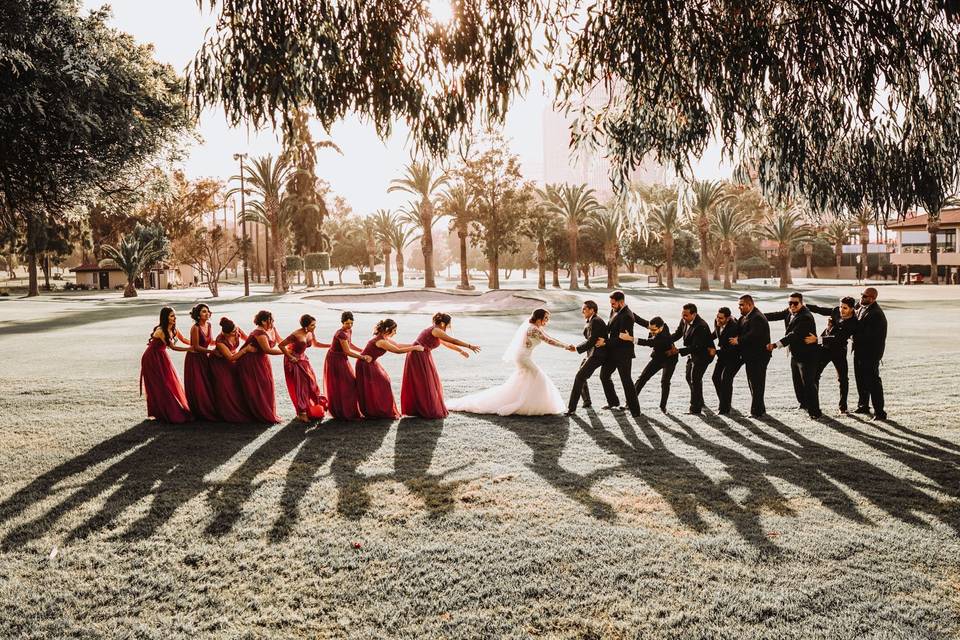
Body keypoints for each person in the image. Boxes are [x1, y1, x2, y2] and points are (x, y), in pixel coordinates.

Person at [449, 308, 575, 415]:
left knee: (525, 380)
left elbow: (550, 337)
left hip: (523, 356)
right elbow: (549, 341)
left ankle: (522, 401)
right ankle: (525, 404)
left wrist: (565, 345)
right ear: (539, 318)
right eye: (546, 318)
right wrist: (565, 347)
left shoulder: (536, 327)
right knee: (539, 377)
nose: (547, 321)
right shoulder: (534, 329)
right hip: (523, 357)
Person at [401, 312, 480, 419]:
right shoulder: (436, 330)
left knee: (427, 382)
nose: (450, 325)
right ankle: (423, 409)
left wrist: (460, 351)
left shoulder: (436, 330)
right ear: (443, 323)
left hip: (423, 355)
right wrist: (470, 346)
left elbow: (447, 343)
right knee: (424, 383)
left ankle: (422, 408)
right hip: (418, 356)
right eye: (449, 323)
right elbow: (453, 340)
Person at [764, 292, 822, 419]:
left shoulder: (805, 317)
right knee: (797, 381)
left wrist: (775, 345)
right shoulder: (790, 311)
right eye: (790, 303)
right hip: (796, 354)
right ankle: (803, 404)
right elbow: (775, 315)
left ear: (801, 303)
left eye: (795, 303)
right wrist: (758, 315)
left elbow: (793, 336)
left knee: (808, 383)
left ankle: (815, 412)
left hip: (808, 355)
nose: (792, 305)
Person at [356, 319, 423, 419]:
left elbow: (398, 345)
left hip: (370, 363)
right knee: (380, 384)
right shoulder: (381, 341)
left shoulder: (384, 338)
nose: (395, 333)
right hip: (365, 364)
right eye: (394, 330)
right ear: (388, 329)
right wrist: (414, 348)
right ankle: (375, 410)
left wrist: (414, 345)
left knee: (383, 383)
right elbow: (397, 350)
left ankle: (378, 409)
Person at [805, 296, 858, 414]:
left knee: (843, 379)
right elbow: (821, 310)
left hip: (839, 351)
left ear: (852, 309)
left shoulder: (853, 322)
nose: (841, 310)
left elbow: (837, 338)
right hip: (824, 350)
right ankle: (813, 405)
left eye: (845, 308)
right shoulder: (836, 311)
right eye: (840, 307)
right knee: (815, 375)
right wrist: (806, 305)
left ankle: (843, 407)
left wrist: (817, 340)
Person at [140, 307, 193, 423]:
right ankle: (164, 412)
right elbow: (173, 347)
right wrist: (190, 349)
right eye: (171, 316)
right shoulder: (160, 331)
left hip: (162, 356)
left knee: (170, 381)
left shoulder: (174, 329)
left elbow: (183, 339)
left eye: (174, 315)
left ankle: (171, 409)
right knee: (160, 384)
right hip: (151, 358)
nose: (175, 318)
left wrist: (195, 343)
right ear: (165, 317)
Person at [279, 314, 331, 423]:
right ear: (306, 325)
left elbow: (316, 344)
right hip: (293, 361)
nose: (314, 327)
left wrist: (330, 345)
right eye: (312, 325)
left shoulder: (310, 332)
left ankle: (315, 406)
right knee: (301, 386)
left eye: (315, 324)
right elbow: (281, 345)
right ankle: (302, 413)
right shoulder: (296, 334)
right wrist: (290, 357)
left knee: (312, 384)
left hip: (303, 360)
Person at [618, 316, 677, 412]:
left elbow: (648, 342)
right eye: (650, 329)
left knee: (665, 382)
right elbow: (644, 322)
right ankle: (629, 403)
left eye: (654, 330)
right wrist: (631, 315)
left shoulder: (664, 337)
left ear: (661, 328)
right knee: (642, 378)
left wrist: (630, 338)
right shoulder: (659, 326)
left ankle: (663, 406)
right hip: (658, 357)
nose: (651, 332)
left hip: (669, 359)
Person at [237, 310, 286, 424]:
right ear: (263, 321)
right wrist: (286, 353)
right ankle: (261, 413)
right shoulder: (259, 333)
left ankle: (268, 411)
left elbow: (280, 341)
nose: (273, 322)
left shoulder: (272, 329)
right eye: (270, 320)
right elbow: (267, 350)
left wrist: (291, 345)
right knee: (258, 386)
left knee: (267, 384)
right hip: (250, 361)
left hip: (261, 360)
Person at [666, 303, 715, 415]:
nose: (683, 317)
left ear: (694, 314)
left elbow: (696, 347)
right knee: (689, 377)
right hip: (692, 354)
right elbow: (678, 334)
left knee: (695, 378)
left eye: (686, 315)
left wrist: (678, 351)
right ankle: (700, 401)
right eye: (683, 315)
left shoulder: (701, 326)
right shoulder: (684, 321)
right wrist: (666, 340)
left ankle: (695, 408)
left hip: (703, 355)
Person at [598, 290, 642, 416]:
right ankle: (613, 402)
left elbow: (622, 338)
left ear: (621, 302)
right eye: (611, 303)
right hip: (612, 352)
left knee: (626, 381)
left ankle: (635, 411)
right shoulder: (614, 311)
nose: (611, 305)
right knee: (604, 375)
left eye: (613, 303)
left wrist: (605, 342)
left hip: (624, 353)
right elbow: (609, 327)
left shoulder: (627, 316)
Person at [729, 294, 771, 418]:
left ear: (750, 304)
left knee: (757, 384)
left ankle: (756, 412)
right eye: (739, 305)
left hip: (759, 356)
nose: (739, 307)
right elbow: (739, 329)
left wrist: (739, 340)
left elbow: (753, 335)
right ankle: (760, 409)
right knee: (753, 383)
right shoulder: (745, 316)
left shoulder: (757, 317)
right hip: (751, 356)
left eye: (742, 305)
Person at [323, 311, 370, 421]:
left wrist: (362, 351)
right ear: (342, 322)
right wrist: (362, 357)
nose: (349, 325)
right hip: (335, 360)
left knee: (348, 384)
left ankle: (349, 410)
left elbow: (350, 344)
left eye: (351, 323)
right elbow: (347, 351)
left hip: (342, 358)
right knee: (344, 384)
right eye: (347, 323)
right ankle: (342, 412)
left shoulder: (349, 331)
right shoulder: (341, 334)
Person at [210, 316, 256, 423]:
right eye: (232, 332)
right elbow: (230, 358)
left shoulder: (236, 329)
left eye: (235, 330)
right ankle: (227, 412)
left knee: (237, 383)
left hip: (234, 358)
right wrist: (245, 350)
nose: (235, 333)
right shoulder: (220, 341)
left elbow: (247, 339)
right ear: (225, 333)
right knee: (226, 386)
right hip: (220, 363)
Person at [566, 300, 608, 414]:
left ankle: (571, 409)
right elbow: (590, 340)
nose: (582, 311)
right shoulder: (591, 320)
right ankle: (587, 401)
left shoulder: (596, 321)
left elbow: (592, 341)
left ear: (592, 310)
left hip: (598, 355)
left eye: (584, 309)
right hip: (591, 353)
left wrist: (576, 348)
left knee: (579, 377)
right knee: (581, 376)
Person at [852, 287, 887, 420]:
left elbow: (869, 336)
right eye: (861, 295)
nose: (862, 298)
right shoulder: (860, 307)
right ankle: (863, 406)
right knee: (860, 380)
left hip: (870, 354)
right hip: (859, 351)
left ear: (873, 298)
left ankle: (880, 413)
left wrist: (850, 333)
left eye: (865, 296)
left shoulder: (876, 314)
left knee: (873, 383)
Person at [183, 303, 220, 421]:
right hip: (194, 359)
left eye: (208, 311)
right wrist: (211, 351)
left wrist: (223, 343)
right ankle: (199, 411)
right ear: (198, 315)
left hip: (204, 358)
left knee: (206, 383)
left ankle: (208, 408)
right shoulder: (195, 328)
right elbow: (196, 346)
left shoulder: (209, 325)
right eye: (204, 311)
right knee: (198, 385)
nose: (207, 313)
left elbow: (211, 341)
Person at [711, 307, 742, 415]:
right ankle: (724, 402)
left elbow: (732, 349)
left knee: (726, 379)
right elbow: (716, 333)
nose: (718, 320)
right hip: (723, 355)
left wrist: (716, 352)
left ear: (728, 318)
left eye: (721, 318)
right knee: (715, 377)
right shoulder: (717, 321)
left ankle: (724, 408)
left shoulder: (733, 328)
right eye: (717, 317)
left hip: (734, 357)